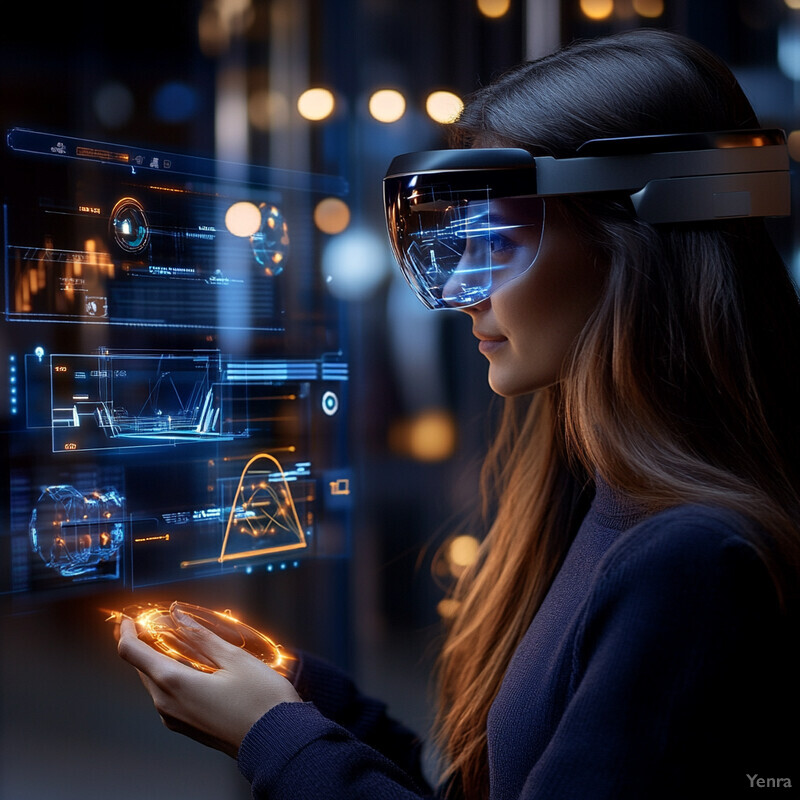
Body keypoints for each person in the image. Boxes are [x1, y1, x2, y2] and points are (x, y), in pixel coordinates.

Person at [116, 28, 800, 799]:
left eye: (499, 242)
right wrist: (299, 692)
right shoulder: (593, 495)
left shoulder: (692, 562)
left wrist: (275, 735)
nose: (468, 289)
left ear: (630, 237)